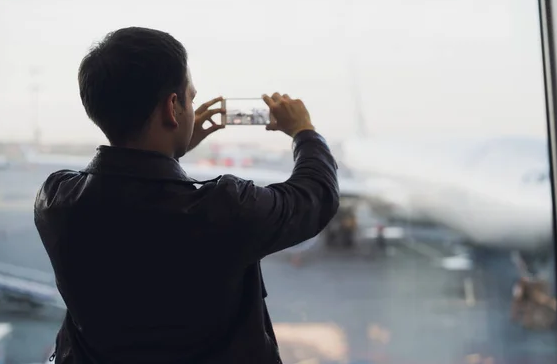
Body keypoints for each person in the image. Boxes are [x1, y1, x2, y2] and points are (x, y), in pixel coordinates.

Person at [34, 27, 340, 364]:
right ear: (172, 107)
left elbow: (121, 185)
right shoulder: (223, 209)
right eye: (191, 99)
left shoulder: (55, 201)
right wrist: (304, 131)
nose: (194, 109)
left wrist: (166, 151)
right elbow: (315, 196)